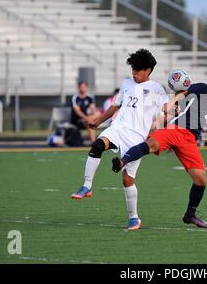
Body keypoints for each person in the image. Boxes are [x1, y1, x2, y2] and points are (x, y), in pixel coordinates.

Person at [70, 49, 175, 231]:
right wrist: (98, 121)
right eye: (132, 69)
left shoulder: (157, 89)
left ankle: (134, 218)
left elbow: (168, 111)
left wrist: (170, 119)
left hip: (136, 138)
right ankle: (86, 186)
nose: (134, 73)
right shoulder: (126, 84)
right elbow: (114, 107)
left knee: (127, 179)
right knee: (97, 145)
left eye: (138, 70)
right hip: (118, 128)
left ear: (148, 70)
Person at [111, 76, 207, 228]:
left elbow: (189, 115)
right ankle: (122, 161)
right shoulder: (204, 89)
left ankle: (190, 214)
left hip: (189, 140)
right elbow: (184, 92)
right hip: (176, 129)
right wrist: (170, 104)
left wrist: (177, 144)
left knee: (201, 180)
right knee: (151, 144)